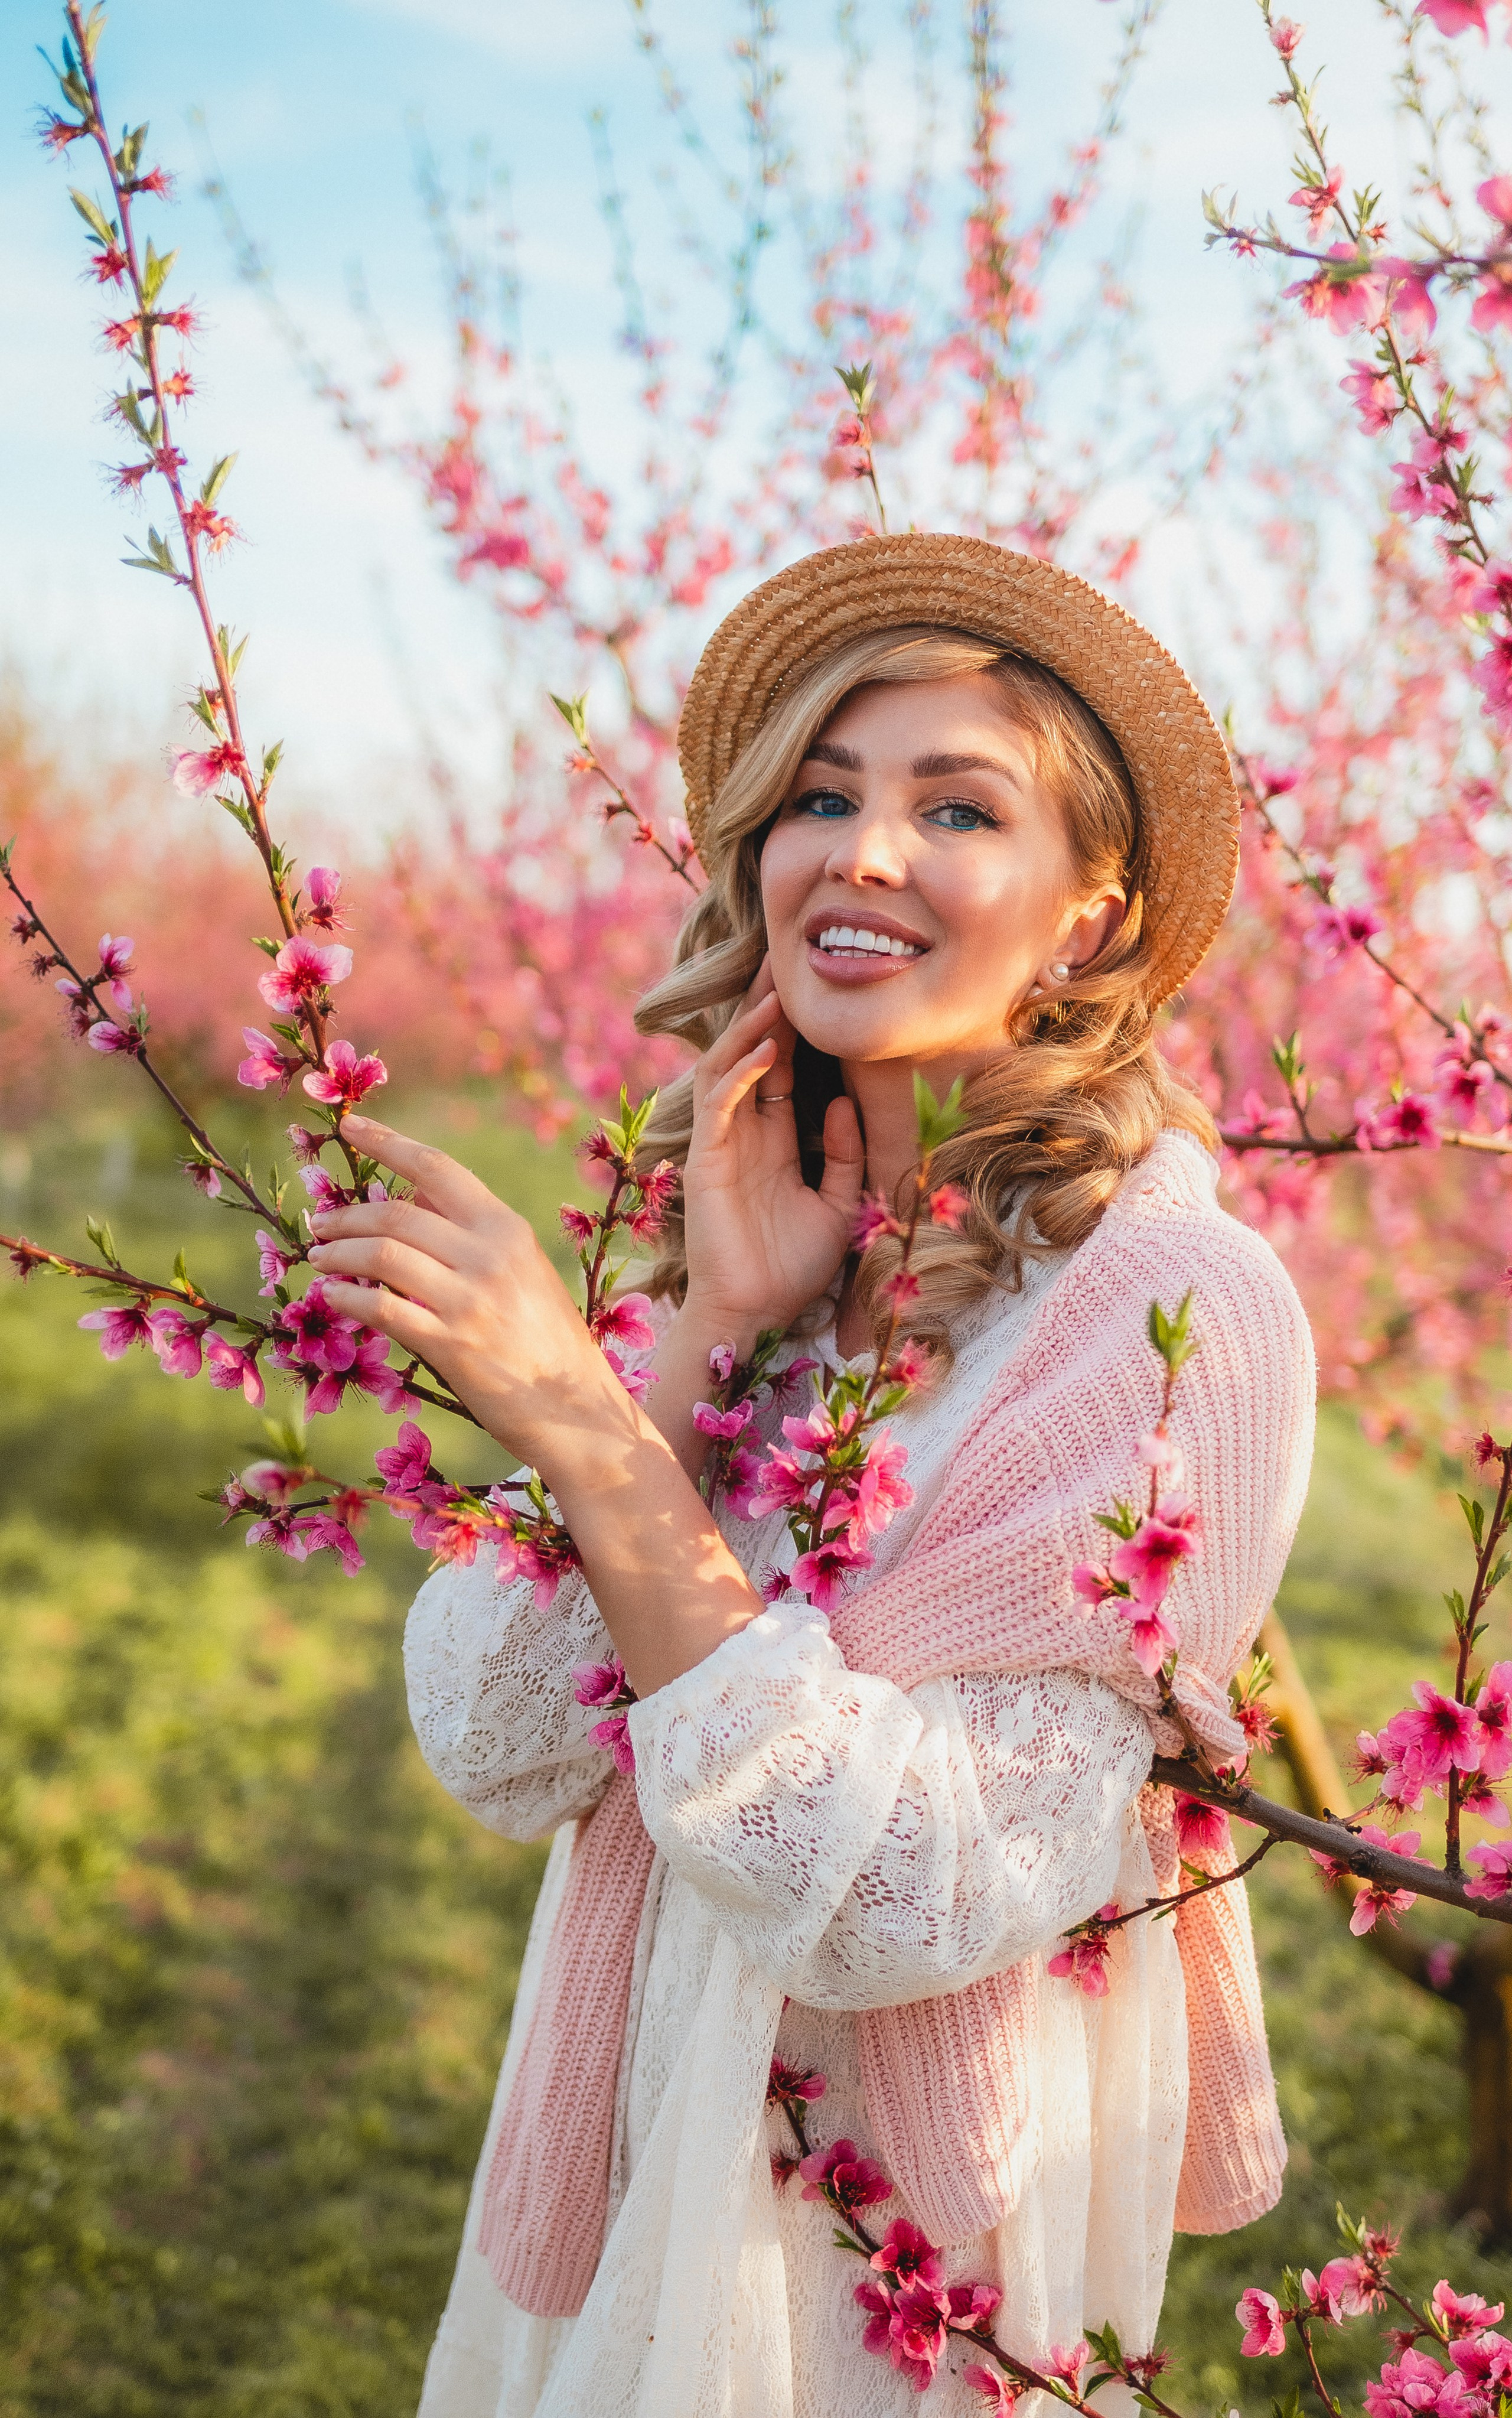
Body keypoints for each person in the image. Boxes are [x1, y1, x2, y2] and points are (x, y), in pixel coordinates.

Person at [306, 534, 1316, 2418]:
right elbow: (496, 1733)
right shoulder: (772, 1246)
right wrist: (695, 1346)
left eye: (957, 806)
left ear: (1089, 917)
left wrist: (591, 1432)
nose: (859, 850)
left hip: (892, 2248)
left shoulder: (1179, 1310)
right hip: (639, 2132)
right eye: (824, 796)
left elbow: (900, 1898)